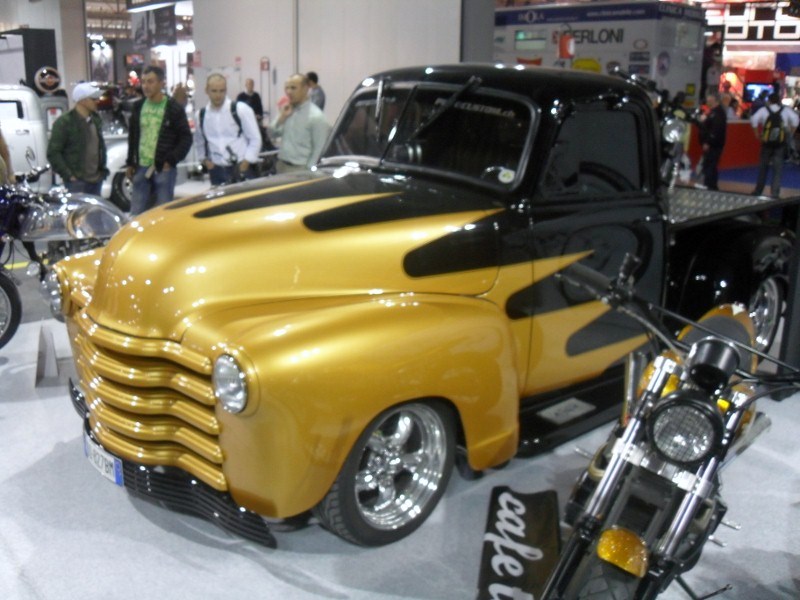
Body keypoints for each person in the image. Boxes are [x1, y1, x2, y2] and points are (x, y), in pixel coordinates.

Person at [125, 65, 193, 214]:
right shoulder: (138, 107)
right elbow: (133, 136)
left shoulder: (173, 108)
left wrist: (172, 159)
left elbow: (186, 138)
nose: (146, 86)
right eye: (143, 82)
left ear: (161, 83)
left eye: (150, 81)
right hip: (141, 167)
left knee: (163, 213)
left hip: (164, 168)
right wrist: (130, 162)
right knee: (136, 213)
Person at [195, 73, 262, 186]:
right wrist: (205, 161)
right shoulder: (200, 115)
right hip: (216, 169)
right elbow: (199, 141)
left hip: (241, 167)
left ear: (226, 90)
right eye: (214, 91)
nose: (218, 95)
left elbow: (255, 138)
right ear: (207, 90)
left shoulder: (241, 109)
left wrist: (246, 162)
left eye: (222, 91)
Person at [47, 82, 108, 195]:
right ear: (82, 100)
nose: (97, 101)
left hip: (96, 180)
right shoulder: (64, 122)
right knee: (78, 207)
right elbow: (53, 152)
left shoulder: (95, 120)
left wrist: (102, 172)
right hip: (77, 182)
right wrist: (69, 175)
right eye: (93, 99)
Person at [269, 73, 331, 172]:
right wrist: (282, 117)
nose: (289, 92)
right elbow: (271, 134)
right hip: (281, 165)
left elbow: (319, 150)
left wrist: (308, 172)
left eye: (293, 88)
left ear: (305, 89)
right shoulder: (287, 110)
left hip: (300, 169)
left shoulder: (316, 117)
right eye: (287, 88)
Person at [750, 92, 799, 198]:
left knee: (763, 167)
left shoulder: (763, 110)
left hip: (766, 142)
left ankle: (758, 190)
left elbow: (754, 120)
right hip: (780, 143)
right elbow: (796, 120)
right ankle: (775, 193)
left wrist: (757, 134)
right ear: (779, 101)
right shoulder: (786, 110)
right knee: (778, 169)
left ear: (769, 101)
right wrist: (790, 133)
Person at [697, 92, 727, 191]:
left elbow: (716, 130)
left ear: (714, 100)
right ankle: (712, 186)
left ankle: (709, 185)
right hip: (712, 144)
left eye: (709, 98)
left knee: (710, 165)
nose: (707, 100)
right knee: (710, 165)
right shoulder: (712, 112)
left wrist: (708, 142)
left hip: (714, 145)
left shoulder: (718, 113)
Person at [236, 77, 271, 150]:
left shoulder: (256, 95)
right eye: (249, 84)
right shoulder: (240, 96)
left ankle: (265, 146)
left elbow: (260, 107)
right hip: (245, 119)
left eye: (252, 84)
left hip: (256, 119)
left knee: (261, 131)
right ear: (246, 85)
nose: (250, 86)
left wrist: (259, 115)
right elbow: (238, 109)